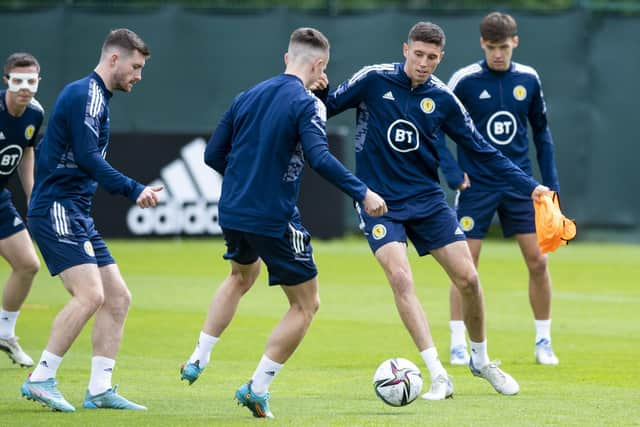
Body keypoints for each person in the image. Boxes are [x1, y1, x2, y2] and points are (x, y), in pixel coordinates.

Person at [316, 21, 550, 400]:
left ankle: (481, 360)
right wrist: (311, 85)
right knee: (401, 279)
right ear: (405, 48)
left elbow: (484, 152)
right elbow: (324, 108)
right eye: (418, 54)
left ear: (441, 58)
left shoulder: (443, 99)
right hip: (380, 204)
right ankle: (439, 373)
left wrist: (532, 186)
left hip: (427, 201)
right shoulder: (373, 80)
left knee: (469, 280)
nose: (423, 63)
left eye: (432, 58)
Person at [179, 27, 386, 419]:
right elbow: (320, 158)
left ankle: (198, 357)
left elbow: (211, 155)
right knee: (306, 305)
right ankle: (257, 388)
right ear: (320, 65)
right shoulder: (307, 104)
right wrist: (363, 192)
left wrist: (244, 180)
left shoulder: (247, 96)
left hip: (233, 209)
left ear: (287, 58)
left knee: (241, 276)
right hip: (272, 215)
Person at [21, 28, 162, 412]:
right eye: (135, 66)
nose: (138, 75)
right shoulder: (86, 94)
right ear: (114, 59)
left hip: (76, 210)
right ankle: (41, 377)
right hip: (56, 208)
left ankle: (99, 389)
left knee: (117, 298)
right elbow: (87, 157)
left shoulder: (98, 97)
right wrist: (134, 189)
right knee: (91, 295)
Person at [443, 12, 560, 366]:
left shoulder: (529, 79)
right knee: (466, 266)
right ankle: (457, 342)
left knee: (538, 261)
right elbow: (434, 126)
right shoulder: (463, 80)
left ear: (515, 42)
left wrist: (550, 185)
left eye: (504, 47)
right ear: (482, 43)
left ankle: (543, 341)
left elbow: (541, 133)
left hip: (520, 185)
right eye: (492, 47)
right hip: (476, 185)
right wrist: (452, 168)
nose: (498, 54)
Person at [0, 53, 44, 368]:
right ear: (6, 81)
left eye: (31, 81)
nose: (25, 87)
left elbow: (27, 152)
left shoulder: (35, 113)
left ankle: (4, 332)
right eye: (18, 80)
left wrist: (33, 195)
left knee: (28, 264)